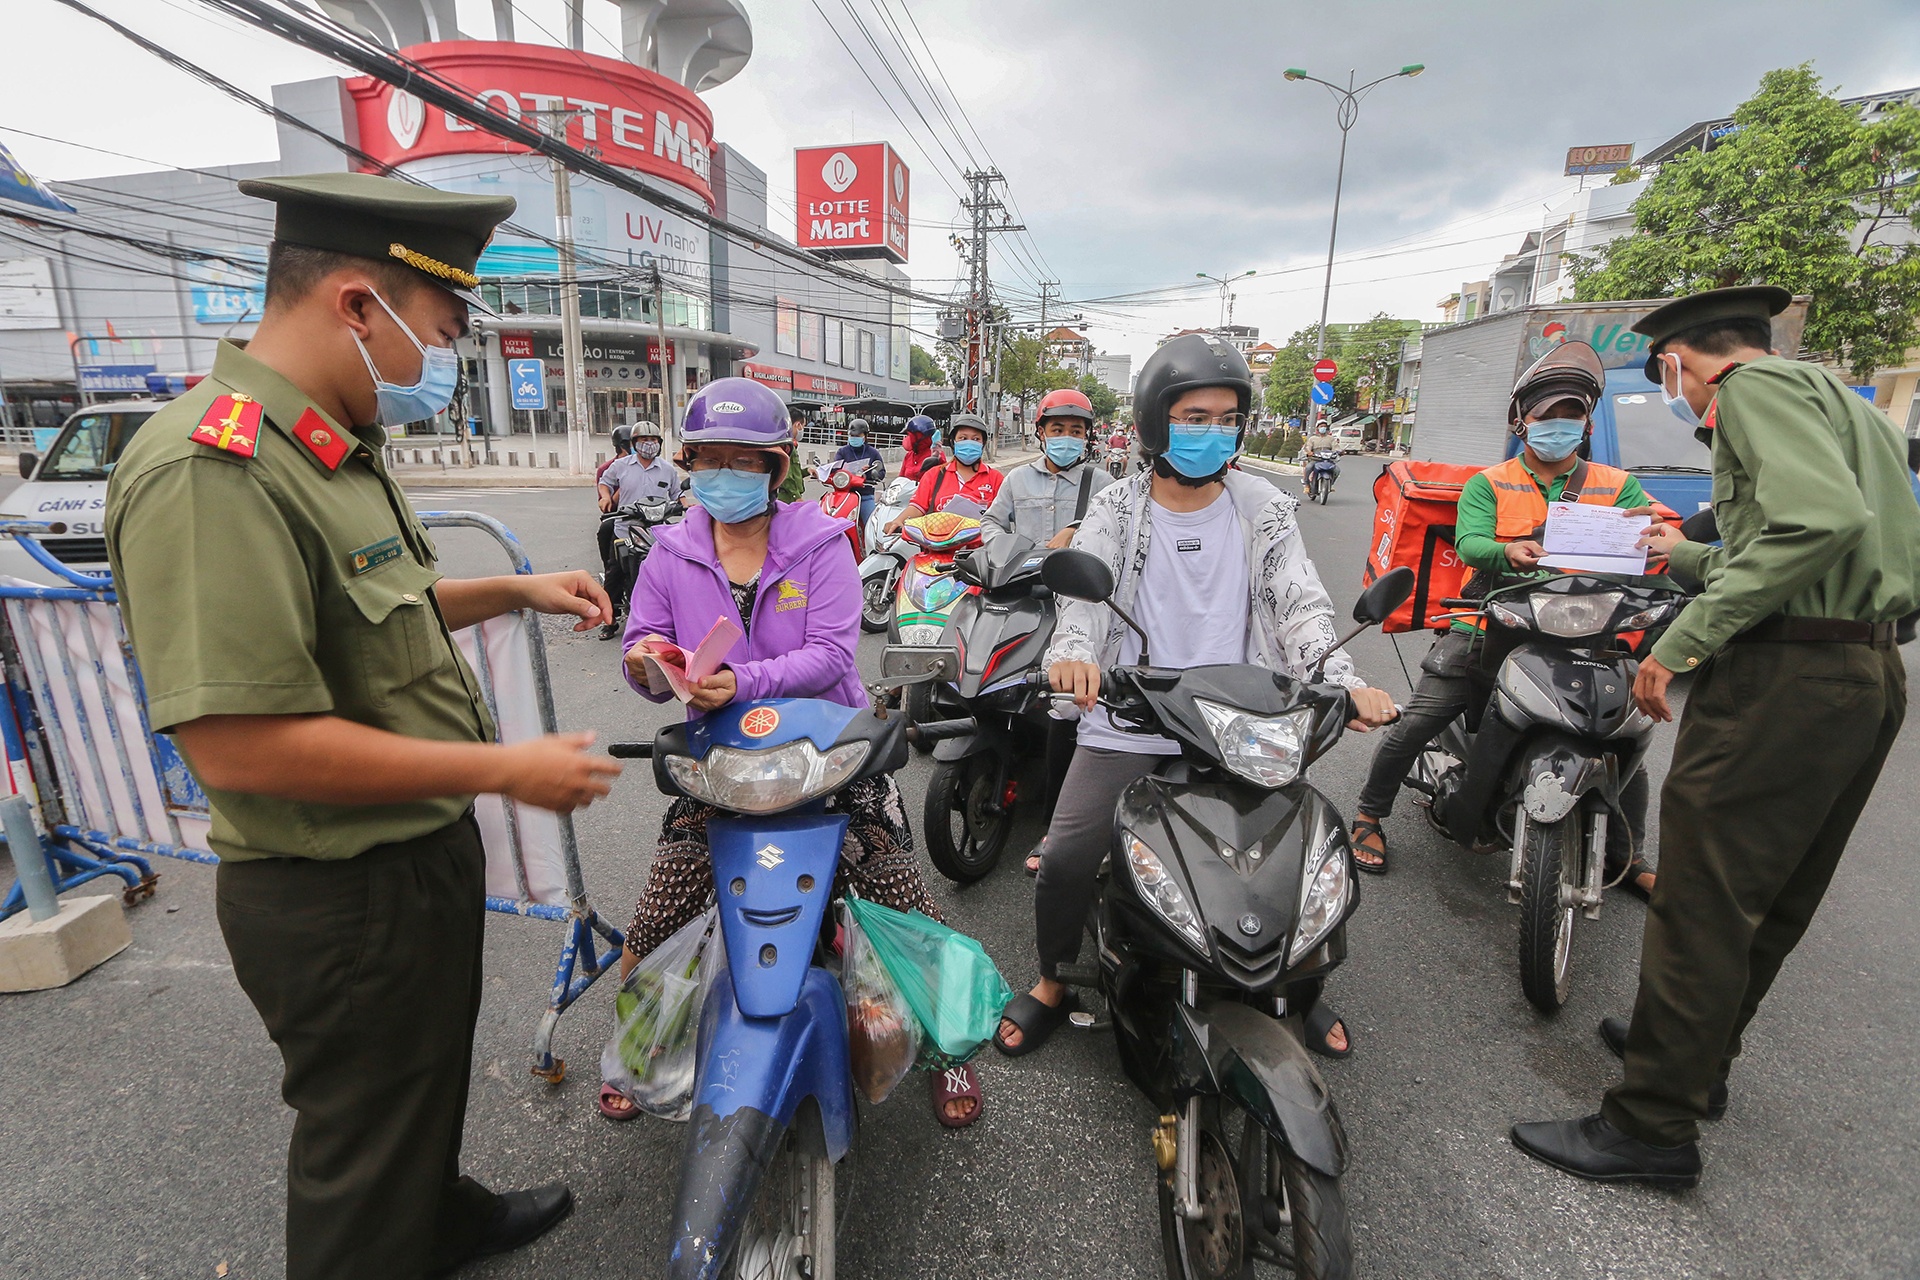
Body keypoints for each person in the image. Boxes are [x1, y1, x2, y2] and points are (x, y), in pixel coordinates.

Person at [103, 172, 623, 1280]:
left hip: (410, 859)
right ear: (355, 305)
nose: (440, 362)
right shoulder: (216, 467)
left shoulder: (327, 441)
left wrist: (519, 590)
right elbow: (238, 741)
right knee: (361, 1148)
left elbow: (370, 620)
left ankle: (433, 1217)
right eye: (436, 331)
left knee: (418, 1084)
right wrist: (504, 764)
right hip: (338, 891)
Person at [1511, 285, 1920, 1188]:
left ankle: (1650, 1128)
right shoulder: (1847, 407)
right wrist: (1681, 554)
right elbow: (1831, 542)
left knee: (1702, 898)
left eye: (1673, 378)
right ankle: (1696, 1065)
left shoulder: (1750, 393)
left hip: (1783, 678)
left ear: (1678, 363)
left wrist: (1684, 638)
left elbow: (1818, 525)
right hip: (1864, 670)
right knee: (1771, 893)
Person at [991, 334, 1398, 1062]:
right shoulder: (1117, 507)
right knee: (1065, 859)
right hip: (1132, 715)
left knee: (1299, 857)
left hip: (1243, 719)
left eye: (1227, 418)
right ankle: (1056, 979)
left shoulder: (1263, 506)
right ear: (1155, 421)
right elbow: (1086, 600)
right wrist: (1076, 657)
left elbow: (1300, 603)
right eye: (1195, 417)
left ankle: (1297, 986)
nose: (1214, 432)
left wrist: (1345, 684)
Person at [609, 377, 985, 1129]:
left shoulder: (820, 542)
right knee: (661, 910)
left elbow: (829, 654)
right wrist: (649, 662)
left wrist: (736, 679)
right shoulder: (668, 555)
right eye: (709, 459)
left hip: (829, 751)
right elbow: (638, 647)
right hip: (722, 764)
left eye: (743, 460)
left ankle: (952, 1049)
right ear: (689, 463)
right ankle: (641, 1046)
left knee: (896, 892)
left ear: (777, 468)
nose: (725, 474)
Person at [1348, 341, 1655, 894]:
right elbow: (1468, 543)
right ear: (1522, 422)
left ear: (1587, 423)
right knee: (1418, 721)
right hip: (1490, 622)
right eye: (1547, 416)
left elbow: (1644, 545)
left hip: (1584, 627)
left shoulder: (1618, 485)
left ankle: (1628, 854)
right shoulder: (1489, 483)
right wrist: (1506, 552)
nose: (1559, 426)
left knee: (1618, 729)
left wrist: (1658, 547)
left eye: (1572, 415)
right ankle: (1370, 815)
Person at [982, 387, 1115, 870]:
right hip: (1024, 592)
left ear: (1087, 438)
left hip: (1078, 599)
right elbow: (990, 526)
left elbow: (1112, 535)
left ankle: (1060, 820)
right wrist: (1019, 550)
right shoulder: (1016, 479)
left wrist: (1075, 536)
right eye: (1057, 429)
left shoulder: (1101, 482)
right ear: (1040, 433)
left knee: (1068, 703)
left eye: (1075, 431)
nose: (1065, 438)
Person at [596, 420, 682, 639]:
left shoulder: (667, 470)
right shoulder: (621, 466)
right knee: (614, 573)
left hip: (656, 531)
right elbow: (605, 483)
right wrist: (605, 496)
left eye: (653, 440)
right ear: (635, 443)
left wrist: (686, 503)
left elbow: (677, 495)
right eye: (644, 440)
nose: (649, 444)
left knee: (672, 569)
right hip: (626, 529)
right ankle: (610, 618)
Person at [884, 413, 1004, 534]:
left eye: (976, 439)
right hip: (936, 547)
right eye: (963, 438)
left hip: (980, 549)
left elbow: (1004, 516)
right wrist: (899, 520)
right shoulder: (934, 475)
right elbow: (917, 507)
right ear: (953, 442)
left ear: (982, 444)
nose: (969, 443)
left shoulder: (995, 478)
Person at [595, 424, 634, 612]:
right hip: (620, 516)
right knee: (606, 530)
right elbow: (608, 502)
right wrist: (615, 492)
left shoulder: (649, 464)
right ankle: (610, 615)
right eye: (629, 444)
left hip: (648, 517)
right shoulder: (607, 469)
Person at [828, 415, 888, 530]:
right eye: (852, 435)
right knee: (834, 523)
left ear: (865, 436)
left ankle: (871, 545)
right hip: (845, 495)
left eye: (858, 436)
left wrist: (871, 472)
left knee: (872, 526)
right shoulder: (842, 452)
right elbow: (835, 469)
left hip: (865, 495)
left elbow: (881, 473)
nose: (854, 438)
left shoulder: (873, 453)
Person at [778, 405, 809, 504]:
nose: (802, 430)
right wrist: (796, 497)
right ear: (798, 425)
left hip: (790, 497)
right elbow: (786, 474)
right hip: (786, 498)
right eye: (803, 426)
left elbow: (794, 472)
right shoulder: (786, 445)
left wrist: (807, 471)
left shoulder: (792, 444)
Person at [900, 412, 945, 480]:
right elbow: (900, 478)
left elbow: (944, 478)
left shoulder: (936, 454)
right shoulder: (909, 456)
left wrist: (937, 459)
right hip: (908, 490)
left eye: (910, 435)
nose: (907, 438)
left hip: (926, 490)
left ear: (919, 436)